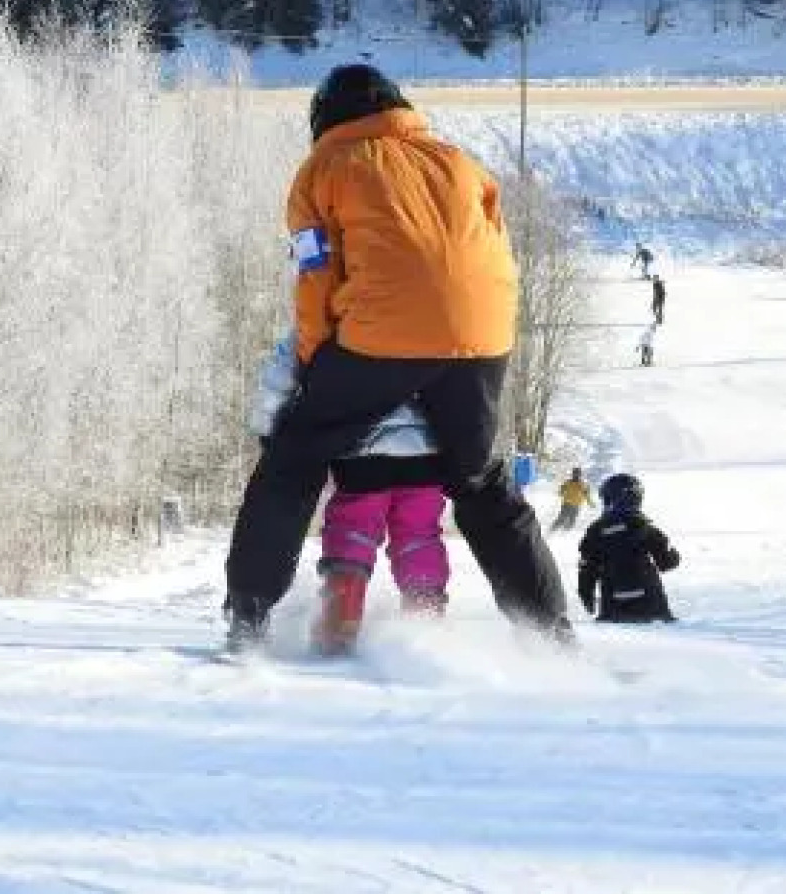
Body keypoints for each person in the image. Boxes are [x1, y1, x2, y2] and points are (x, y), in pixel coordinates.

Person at [223, 64, 571, 653]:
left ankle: (248, 619)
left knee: (293, 460)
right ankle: (551, 634)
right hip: (482, 336)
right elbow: (493, 254)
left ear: (325, 119)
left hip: (380, 338)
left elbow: (315, 278)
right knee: (482, 482)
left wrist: (316, 368)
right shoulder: (460, 162)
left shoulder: (324, 169)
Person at [250, 333, 450, 656]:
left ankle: (341, 614)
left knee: (354, 524)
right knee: (420, 534)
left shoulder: (345, 303)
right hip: (426, 451)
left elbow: (286, 362)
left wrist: (268, 427)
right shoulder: (437, 310)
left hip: (363, 445)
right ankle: (424, 624)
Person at [577, 474, 680, 624]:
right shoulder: (643, 526)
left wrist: (587, 598)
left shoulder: (595, 531)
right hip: (650, 605)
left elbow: (587, 569)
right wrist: (675, 555)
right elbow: (667, 563)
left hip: (612, 607)